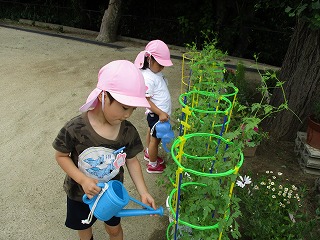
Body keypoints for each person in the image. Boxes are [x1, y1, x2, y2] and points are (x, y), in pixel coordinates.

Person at [52, 60, 156, 240]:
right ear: (104, 96)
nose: (128, 114)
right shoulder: (76, 128)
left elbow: (131, 160)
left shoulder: (128, 131)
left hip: (112, 195)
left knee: (114, 230)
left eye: (133, 109)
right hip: (80, 193)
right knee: (85, 229)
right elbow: (61, 155)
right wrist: (83, 180)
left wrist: (144, 192)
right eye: (124, 107)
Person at [134, 39, 173, 174]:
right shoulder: (148, 78)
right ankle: (152, 164)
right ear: (149, 59)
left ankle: (149, 153)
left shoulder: (154, 72)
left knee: (151, 133)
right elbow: (146, 100)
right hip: (157, 115)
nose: (162, 67)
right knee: (155, 141)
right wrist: (161, 113)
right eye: (160, 64)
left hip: (157, 115)